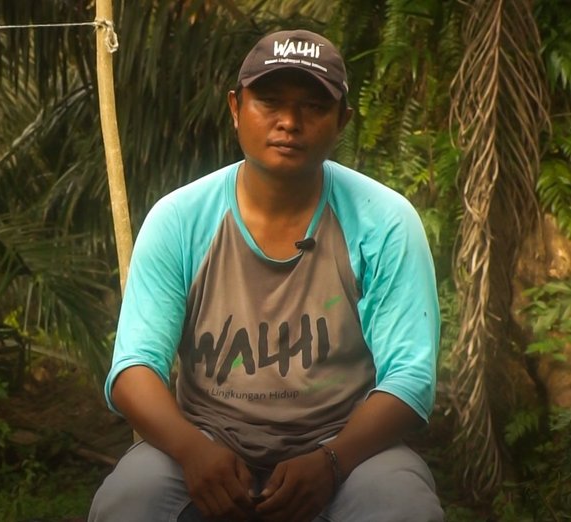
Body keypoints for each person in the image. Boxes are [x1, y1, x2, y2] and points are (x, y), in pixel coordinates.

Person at [88, 29, 444, 522]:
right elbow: (133, 369)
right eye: (270, 102)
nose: (289, 122)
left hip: (348, 446)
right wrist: (194, 453)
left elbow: (411, 378)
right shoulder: (181, 218)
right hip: (206, 438)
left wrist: (332, 461)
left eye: (313, 107)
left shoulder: (383, 220)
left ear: (342, 120)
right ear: (236, 108)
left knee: (403, 509)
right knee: (127, 501)